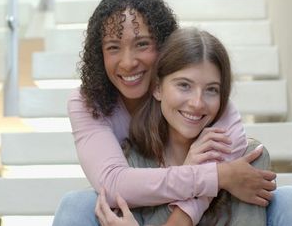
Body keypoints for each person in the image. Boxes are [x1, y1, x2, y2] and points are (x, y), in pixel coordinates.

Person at [52, 0, 292, 226]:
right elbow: (113, 185)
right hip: (143, 196)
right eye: (113, 48)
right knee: (77, 204)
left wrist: (196, 192)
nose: (128, 62)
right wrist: (210, 175)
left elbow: (234, 152)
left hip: (208, 202)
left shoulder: (206, 106)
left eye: (142, 44)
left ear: (166, 48)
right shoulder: (95, 111)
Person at [95, 27, 271, 226]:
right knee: (77, 203)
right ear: (157, 88)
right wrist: (196, 177)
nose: (197, 103)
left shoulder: (248, 160)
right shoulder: (133, 164)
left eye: (211, 90)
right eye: (184, 85)